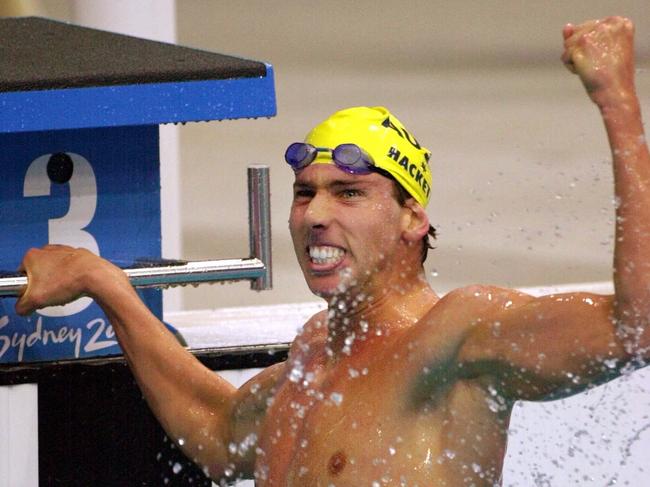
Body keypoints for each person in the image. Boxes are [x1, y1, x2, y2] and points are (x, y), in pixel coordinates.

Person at [14, 16, 650, 486]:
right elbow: (219, 432)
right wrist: (107, 283)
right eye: (304, 193)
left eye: (349, 194)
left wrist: (617, 101)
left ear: (412, 219)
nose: (314, 215)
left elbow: (637, 327)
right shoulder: (314, 354)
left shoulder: (456, 339)